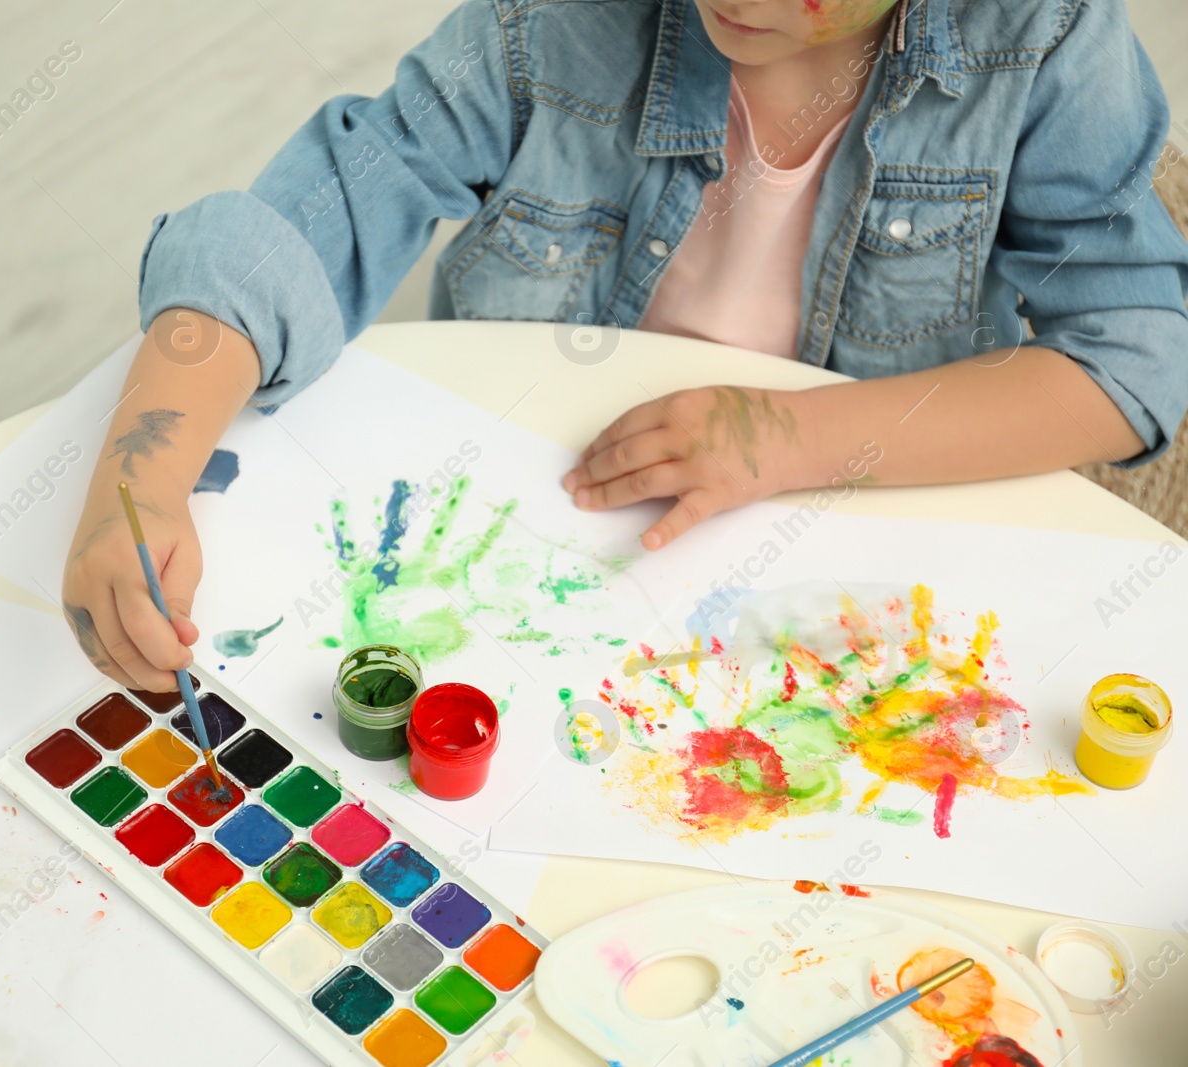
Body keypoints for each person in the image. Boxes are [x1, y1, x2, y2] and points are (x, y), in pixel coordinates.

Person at [62, 0, 1188, 691]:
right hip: (523, 519)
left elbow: (1131, 359)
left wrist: (788, 435)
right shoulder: (558, 20)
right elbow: (317, 211)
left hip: (836, 562)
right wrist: (143, 474)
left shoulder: (1039, 32)